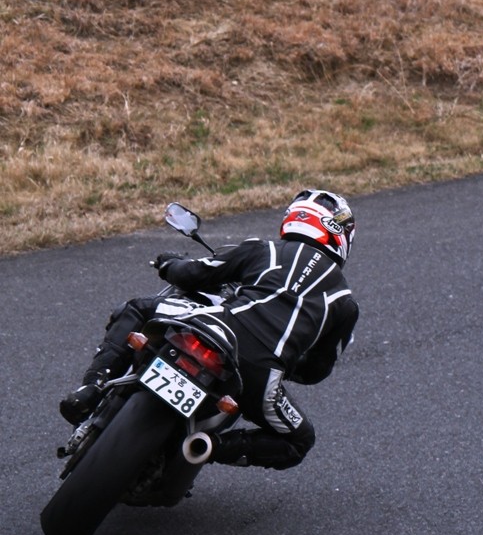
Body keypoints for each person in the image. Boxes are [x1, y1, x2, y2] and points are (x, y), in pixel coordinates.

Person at [59, 189, 360, 470]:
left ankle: (91, 389)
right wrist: (286, 362)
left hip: (218, 327)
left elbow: (193, 274)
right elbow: (317, 370)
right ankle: (206, 446)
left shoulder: (265, 250)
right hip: (260, 376)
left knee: (137, 308)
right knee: (299, 440)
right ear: (339, 234)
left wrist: (168, 264)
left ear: (294, 218)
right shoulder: (345, 303)